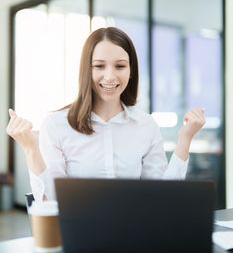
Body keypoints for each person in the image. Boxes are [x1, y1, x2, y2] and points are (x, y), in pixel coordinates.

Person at [6, 27, 205, 201]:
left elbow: (161, 195)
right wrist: (31, 149)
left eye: (120, 66)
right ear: (86, 70)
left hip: (133, 233)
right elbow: (50, 202)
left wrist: (185, 139)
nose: (110, 76)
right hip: (80, 234)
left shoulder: (146, 125)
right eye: (99, 66)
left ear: (131, 70)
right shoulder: (56, 125)